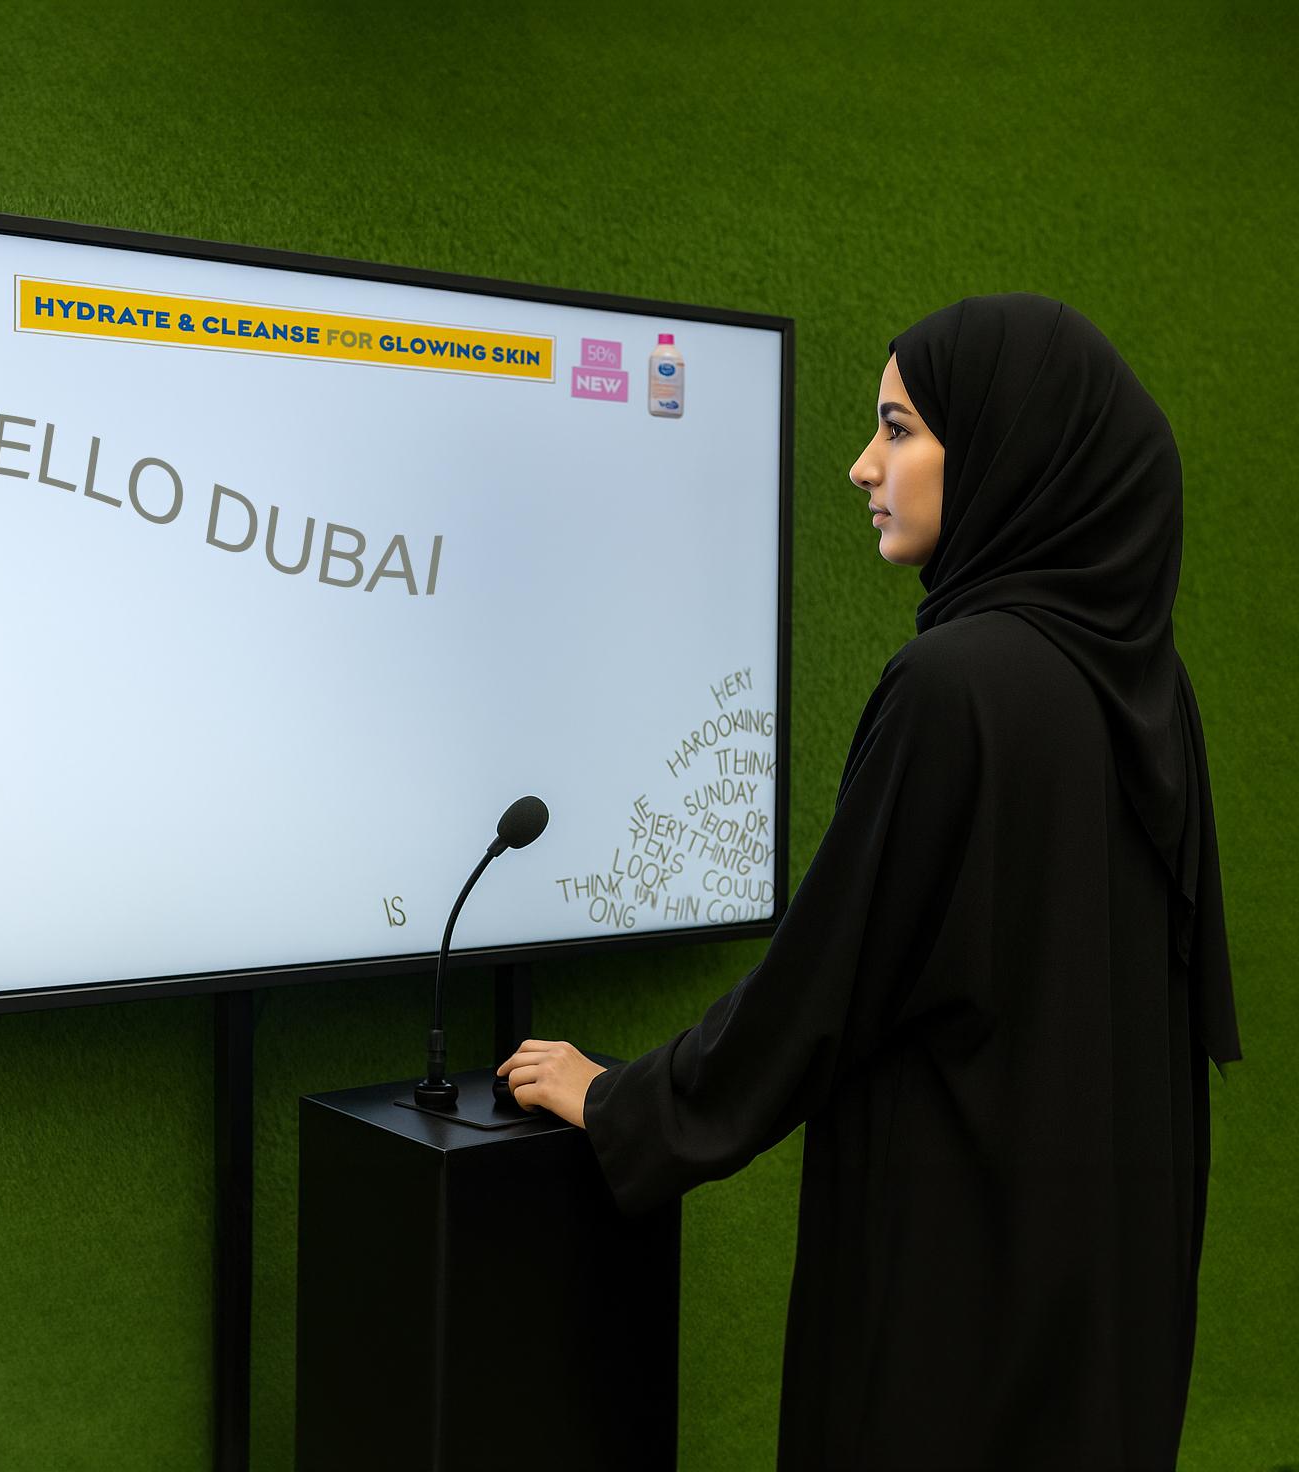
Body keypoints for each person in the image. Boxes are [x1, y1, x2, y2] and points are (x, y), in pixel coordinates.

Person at [496, 292, 1242, 1470]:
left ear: (1003, 447)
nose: (861, 466)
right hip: (1105, 1279)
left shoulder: (953, 683)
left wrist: (619, 1099)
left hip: (957, 1280)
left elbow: (819, 985)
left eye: (898, 429)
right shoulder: (1144, 687)